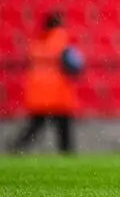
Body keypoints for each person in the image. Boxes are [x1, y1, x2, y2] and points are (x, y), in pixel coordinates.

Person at [9, 11, 84, 154]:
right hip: (58, 94)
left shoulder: (37, 44)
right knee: (64, 129)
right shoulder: (62, 43)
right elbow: (75, 67)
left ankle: (17, 147)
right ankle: (67, 155)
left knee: (34, 127)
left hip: (38, 95)